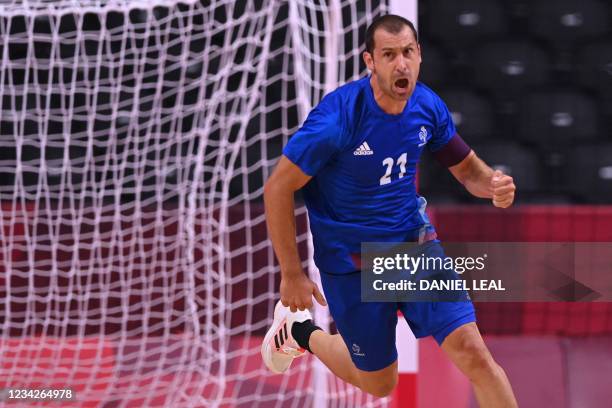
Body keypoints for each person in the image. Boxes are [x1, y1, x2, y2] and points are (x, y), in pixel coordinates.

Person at [260, 14, 518, 407]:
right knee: (380, 383)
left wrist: (493, 184)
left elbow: (467, 170)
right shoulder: (338, 119)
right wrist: (291, 274)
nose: (401, 64)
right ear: (370, 61)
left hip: (412, 248)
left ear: (419, 55)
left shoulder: (427, 106)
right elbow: (278, 187)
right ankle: (300, 334)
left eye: (408, 53)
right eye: (389, 54)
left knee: (475, 353)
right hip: (352, 261)